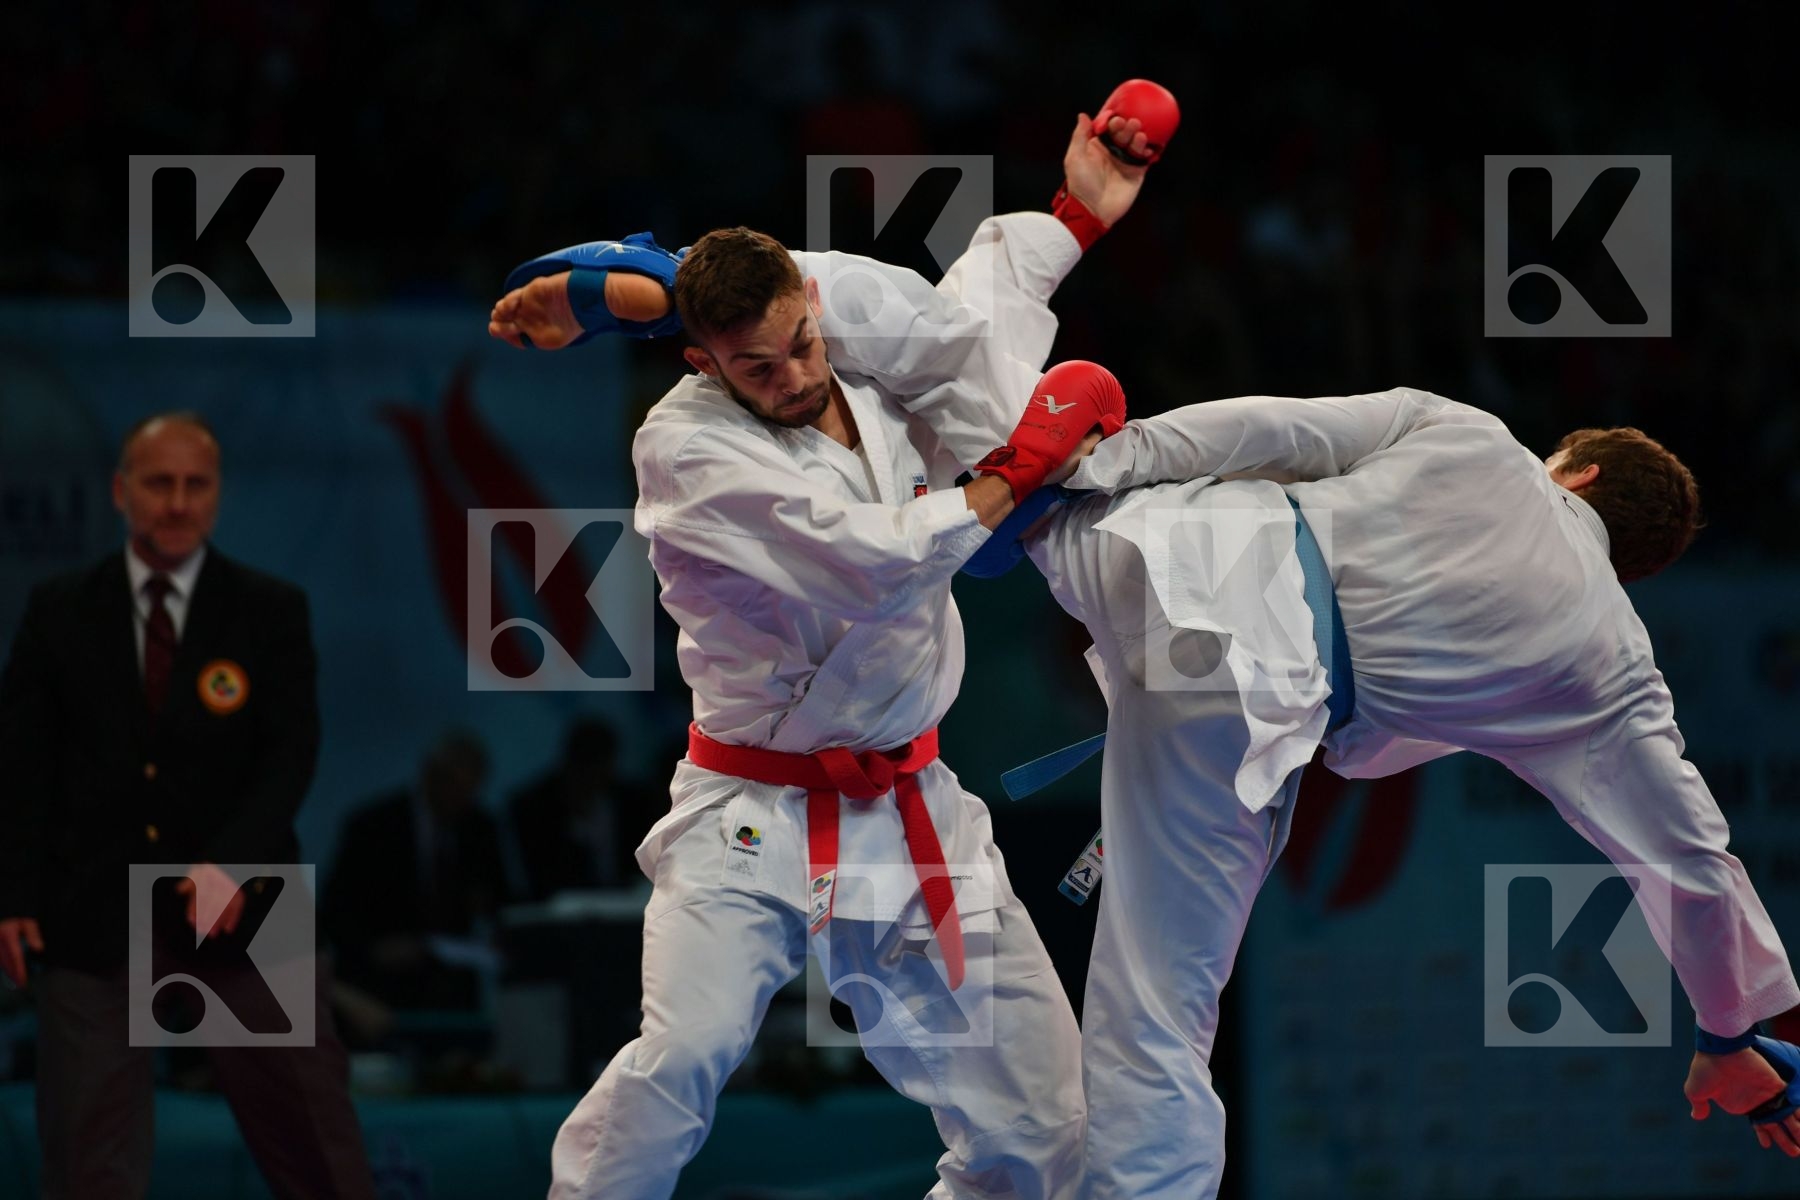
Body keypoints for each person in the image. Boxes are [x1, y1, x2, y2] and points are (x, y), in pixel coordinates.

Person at [488, 94, 1166, 1200]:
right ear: (702, 363)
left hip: (913, 807)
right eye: (757, 369)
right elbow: (873, 559)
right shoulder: (686, 448)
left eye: (800, 343)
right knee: (682, 1061)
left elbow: (966, 319)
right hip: (749, 811)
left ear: (811, 302)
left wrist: (1074, 219)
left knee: (1043, 1133)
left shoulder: (844, 336)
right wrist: (1010, 477)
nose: (794, 375)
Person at [980, 387, 1800, 1195]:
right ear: (1628, 567)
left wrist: (1108, 460)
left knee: (999, 454)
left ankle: (984, 484)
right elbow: (1692, 861)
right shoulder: (1609, 662)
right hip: (1243, 711)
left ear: (1577, 473)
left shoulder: (1473, 434)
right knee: (1156, 1017)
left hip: (1180, 549)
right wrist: (1726, 1034)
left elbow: (1270, 426)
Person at [0, 412, 376, 1200]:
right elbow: (25, 767)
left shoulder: (269, 610)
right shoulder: (59, 610)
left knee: (318, 1151)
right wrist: (15, 897)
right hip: (91, 901)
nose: (176, 502)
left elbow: (289, 756)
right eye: (158, 483)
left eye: (194, 484)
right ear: (120, 491)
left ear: (217, 495)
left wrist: (230, 863)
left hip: (248, 899)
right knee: (87, 1162)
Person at [323, 729, 511, 1014]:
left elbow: (499, 899)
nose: (462, 799)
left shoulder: (480, 828)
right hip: (379, 982)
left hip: (453, 985)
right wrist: (374, 951)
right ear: (431, 776)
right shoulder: (374, 827)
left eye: (471, 790)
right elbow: (336, 906)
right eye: (456, 785)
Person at [509, 717, 647, 899]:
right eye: (586, 770)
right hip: (559, 917)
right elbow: (539, 879)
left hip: (627, 912)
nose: (591, 781)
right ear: (570, 766)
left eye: (600, 770)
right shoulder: (533, 809)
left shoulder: (633, 803)